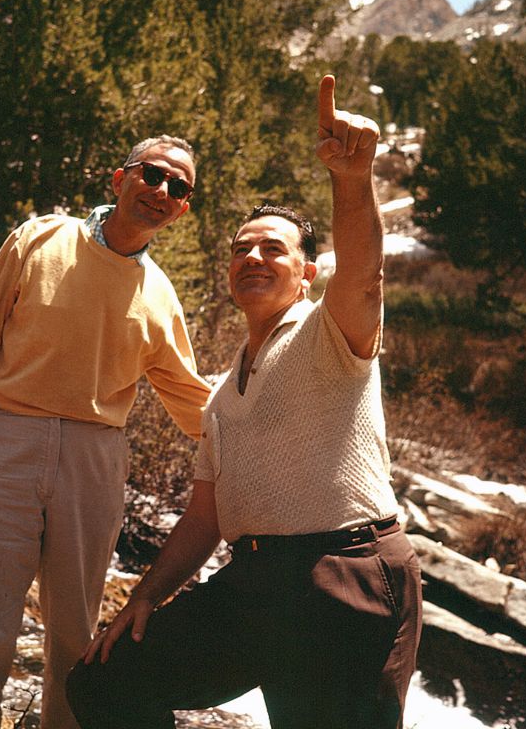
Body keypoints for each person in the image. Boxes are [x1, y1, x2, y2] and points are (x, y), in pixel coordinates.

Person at [65, 75, 423, 729]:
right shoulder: (224, 389)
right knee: (104, 678)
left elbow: (366, 275)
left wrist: (352, 178)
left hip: (343, 576)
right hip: (251, 584)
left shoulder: (329, 331)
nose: (252, 257)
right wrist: (144, 597)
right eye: (240, 249)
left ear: (306, 272)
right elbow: (204, 520)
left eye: (272, 249)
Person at [0, 135, 212, 729]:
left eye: (178, 187)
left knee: (75, 634)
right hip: (3, 441)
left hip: (95, 460)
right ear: (119, 180)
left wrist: (261, 442)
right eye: (152, 174)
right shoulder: (40, 239)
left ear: (182, 210)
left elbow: (192, 401)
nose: (162, 190)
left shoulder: (160, 296)